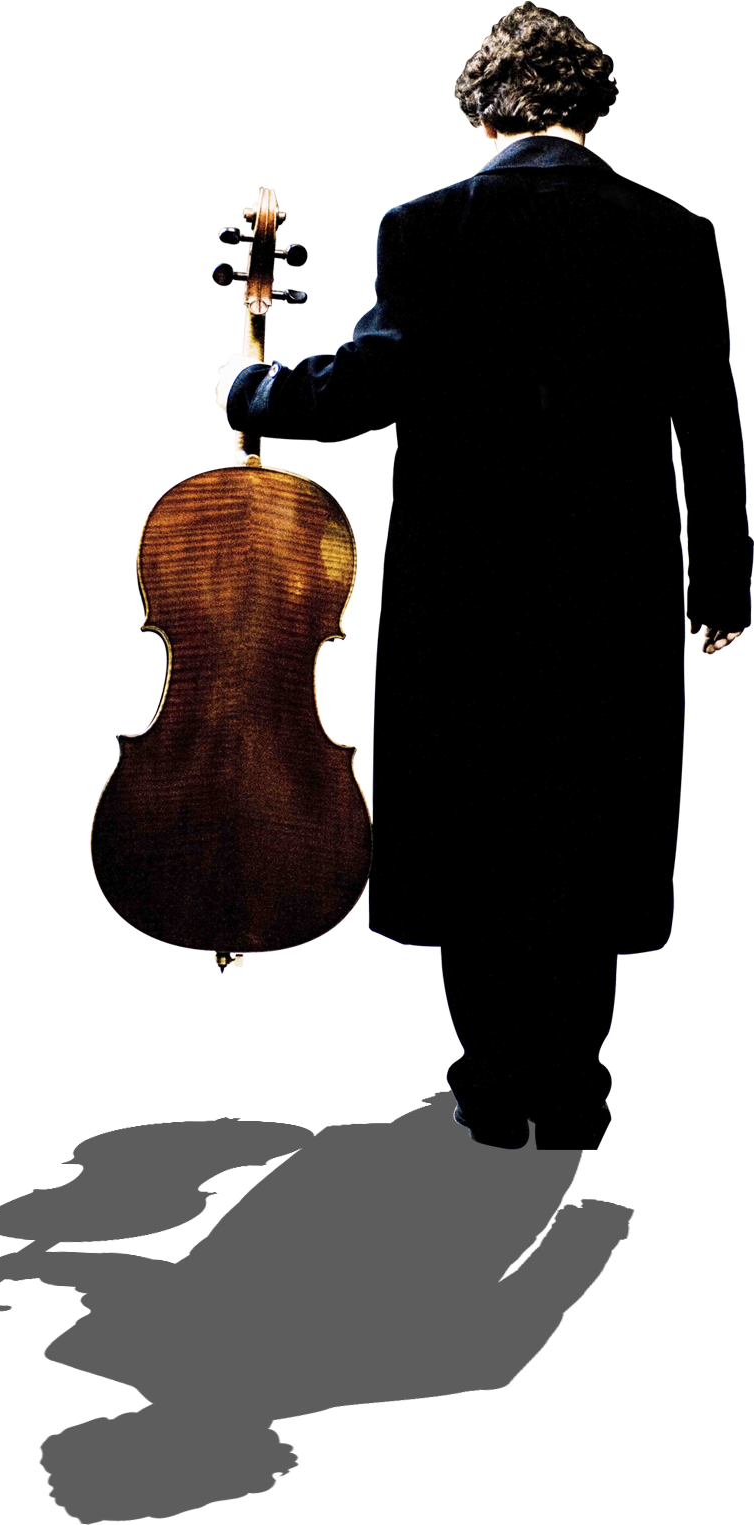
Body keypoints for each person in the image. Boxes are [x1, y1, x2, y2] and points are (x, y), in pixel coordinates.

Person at [214, 4, 751, 1149]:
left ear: (482, 112)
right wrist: (721, 590)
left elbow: (365, 384)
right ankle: (572, 1088)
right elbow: (710, 423)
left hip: (461, 590)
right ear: (592, 107)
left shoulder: (427, 225)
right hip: (616, 587)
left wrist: (249, 389)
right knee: (590, 824)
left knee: (473, 832)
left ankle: (495, 1093)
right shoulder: (675, 232)